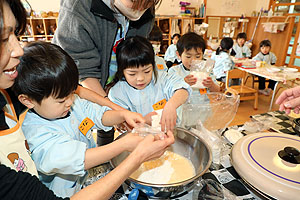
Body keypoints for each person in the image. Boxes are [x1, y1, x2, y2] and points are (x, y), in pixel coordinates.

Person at [0, 1, 174, 199]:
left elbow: (97, 113)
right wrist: (126, 146)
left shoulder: (68, 104)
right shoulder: (36, 133)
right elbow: (78, 158)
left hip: (83, 185)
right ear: (28, 100)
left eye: (71, 94)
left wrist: (123, 115)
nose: (69, 102)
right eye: (61, 99)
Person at [53, 0, 161, 144]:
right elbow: (85, 72)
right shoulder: (78, 8)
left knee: (109, 121)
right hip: (81, 84)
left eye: (147, 3)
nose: (141, 8)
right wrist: (113, 109)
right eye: (134, 1)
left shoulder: (144, 6)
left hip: (111, 81)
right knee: (89, 127)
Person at [108, 36, 191, 132]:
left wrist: (171, 105)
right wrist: (145, 121)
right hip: (136, 142)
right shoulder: (117, 93)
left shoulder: (162, 78)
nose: (140, 78)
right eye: (132, 74)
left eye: (147, 71)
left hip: (168, 134)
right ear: (122, 71)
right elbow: (123, 126)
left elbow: (183, 89)